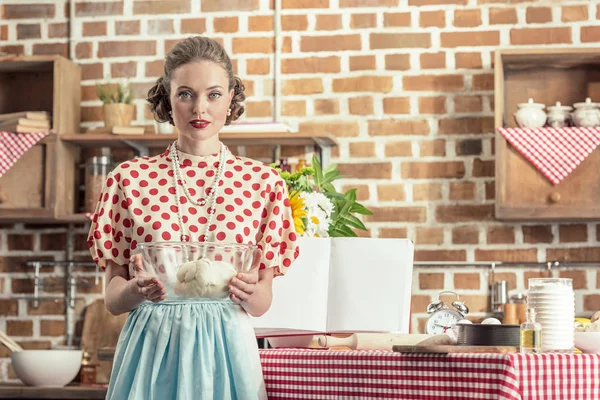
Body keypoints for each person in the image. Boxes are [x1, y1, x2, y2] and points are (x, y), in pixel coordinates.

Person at [87, 36, 299, 400]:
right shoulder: (128, 179)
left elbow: (262, 302)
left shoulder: (264, 183)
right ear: (167, 98)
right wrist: (135, 292)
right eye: (185, 94)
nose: (200, 108)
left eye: (214, 94)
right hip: (151, 351)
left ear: (231, 97)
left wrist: (249, 293)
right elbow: (112, 296)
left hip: (228, 351)